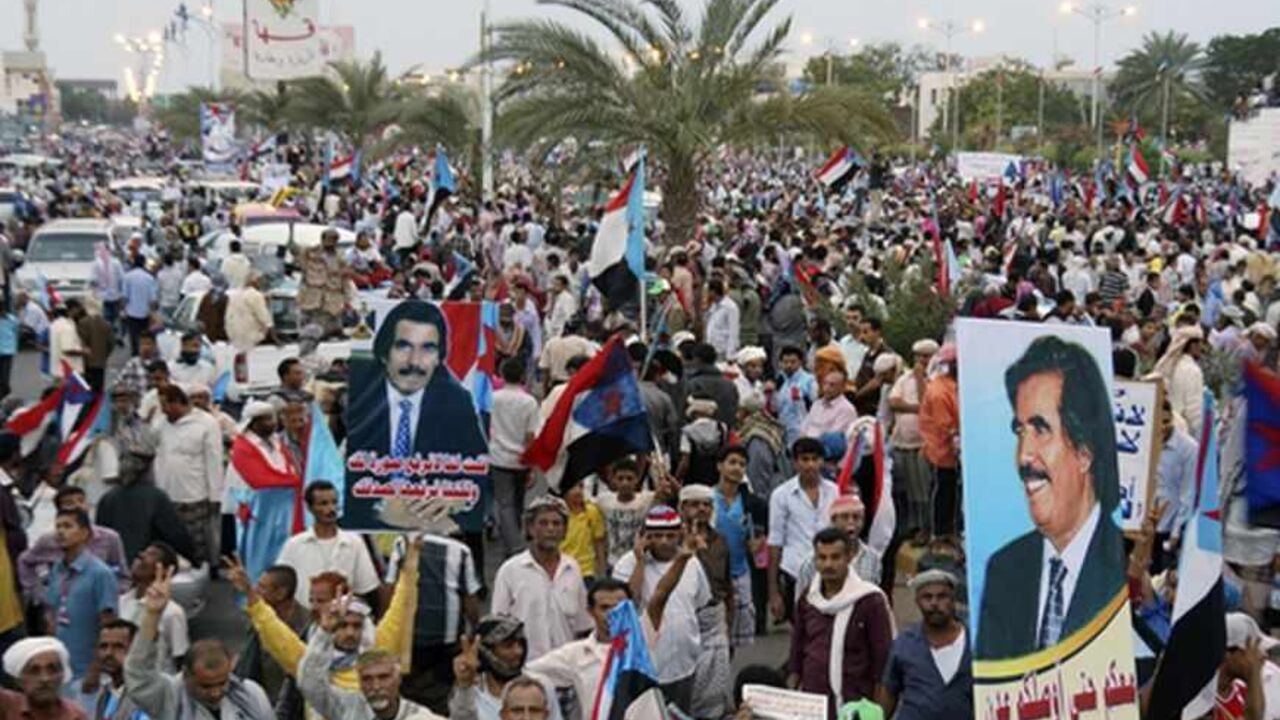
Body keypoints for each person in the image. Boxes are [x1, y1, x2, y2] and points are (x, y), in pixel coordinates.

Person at [975, 335, 1126, 660]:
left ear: (1085, 452)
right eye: (1020, 431)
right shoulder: (1004, 569)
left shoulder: (1123, 568)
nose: (1023, 456)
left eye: (1040, 429)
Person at [124, 565, 274, 719]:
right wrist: (153, 615)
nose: (215, 693)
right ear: (187, 675)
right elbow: (138, 673)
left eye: (222, 683)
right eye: (206, 686)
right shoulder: (169, 697)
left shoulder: (251, 695)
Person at [346, 300, 486, 461]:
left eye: (428, 349)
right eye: (403, 346)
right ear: (384, 353)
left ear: (438, 359)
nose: (414, 362)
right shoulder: (357, 392)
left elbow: (477, 470)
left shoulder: (458, 402)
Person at [611, 505, 712, 713]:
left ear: (680, 534)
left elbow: (701, 604)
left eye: (670, 535)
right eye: (656, 535)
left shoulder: (691, 562)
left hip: (684, 663)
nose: (664, 541)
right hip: (645, 668)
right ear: (645, 537)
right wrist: (640, 561)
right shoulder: (627, 564)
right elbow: (628, 605)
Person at [787, 527, 892, 715]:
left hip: (856, 705)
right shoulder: (808, 599)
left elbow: (882, 663)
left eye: (835, 557)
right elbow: (797, 650)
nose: (828, 564)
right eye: (822, 557)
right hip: (813, 702)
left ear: (849, 557)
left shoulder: (869, 601)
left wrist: (879, 712)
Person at [382, 532, 482, 714]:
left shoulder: (403, 543)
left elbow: (389, 589)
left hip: (408, 644)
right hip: (445, 647)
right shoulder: (461, 551)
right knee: (440, 703)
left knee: (405, 702)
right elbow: (471, 603)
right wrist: (474, 632)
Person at [297, 600, 445, 720]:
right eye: (367, 679)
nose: (376, 686)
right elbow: (309, 685)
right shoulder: (348, 708)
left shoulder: (421, 717)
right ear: (359, 682)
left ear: (398, 678)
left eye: (383, 677)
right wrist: (324, 633)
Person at [490, 497, 592, 661]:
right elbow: (498, 627)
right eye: (543, 523)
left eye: (556, 523)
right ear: (530, 528)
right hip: (525, 671)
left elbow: (583, 626)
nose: (550, 529)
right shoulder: (510, 571)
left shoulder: (572, 569)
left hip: (566, 670)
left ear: (565, 531)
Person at [876, 569, 973, 720]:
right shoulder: (904, 644)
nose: (934, 603)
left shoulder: (974, 642)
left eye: (942, 596)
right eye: (927, 597)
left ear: (953, 599)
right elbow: (888, 692)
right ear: (917, 601)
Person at [94, 428, 197, 564]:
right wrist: (193, 558)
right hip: (146, 565)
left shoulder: (108, 498)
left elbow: (100, 536)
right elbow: (175, 534)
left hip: (115, 566)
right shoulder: (156, 497)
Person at [18, 486, 128, 613]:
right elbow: (25, 561)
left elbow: (123, 576)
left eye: (81, 501)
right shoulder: (49, 540)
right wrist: (38, 593)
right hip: (60, 609)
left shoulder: (110, 538)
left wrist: (109, 595)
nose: (77, 506)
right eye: (69, 503)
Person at [275, 481, 381, 607]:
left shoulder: (354, 542)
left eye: (334, 502)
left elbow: (366, 587)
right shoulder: (294, 545)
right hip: (304, 620)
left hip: (343, 620)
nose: (331, 509)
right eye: (323, 504)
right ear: (310, 507)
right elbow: (280, 584)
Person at [768, 437, 838, 624]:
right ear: (795, 463)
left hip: (828, 572)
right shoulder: (781, 495)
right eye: (804, 459)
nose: (810, 465)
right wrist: (774, 592)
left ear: (822, 462)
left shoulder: (835, 492)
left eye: (815, 459)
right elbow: (775, 542)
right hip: (794, 572)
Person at [44, 508, 119, 678]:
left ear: (85, 533)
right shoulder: (57, 569)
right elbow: (51, 615)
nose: (61, 532)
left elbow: (108, 624)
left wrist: (96, 668)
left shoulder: (100, 573)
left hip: (87, 669)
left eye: (68, 526)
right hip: (60, 667)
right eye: (58, 527)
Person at [153, 385, 223, 566]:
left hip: (194, 495)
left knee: (195, 544)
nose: (163, 410)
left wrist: (215, 496)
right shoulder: (162, 423)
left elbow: (214, 460)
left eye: (165, 405)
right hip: (166, 494)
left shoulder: (206, 423)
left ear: (178, 402)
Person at [448, 617, 562, 720]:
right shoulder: (471, 691)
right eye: (508, 646)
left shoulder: (541, 684)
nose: (518, 652)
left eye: (520, 644)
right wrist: (465, 686)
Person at [230, 564, 308, 711]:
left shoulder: (307, 627)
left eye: (263, 587)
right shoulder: (258, 620)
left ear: (281, 593)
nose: (257, 592)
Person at [488, 358, 540, 559]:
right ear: (522, 376)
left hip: (497, 457)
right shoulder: (529, 402)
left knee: (505, 504)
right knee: (517, 503)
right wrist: (531, 466)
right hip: (520, 459)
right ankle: (515, 546)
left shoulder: (492, 398)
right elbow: (530, 436)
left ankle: (511, 545)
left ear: (501, 375)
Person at [889, 339, 937, 543]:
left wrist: (920, 379)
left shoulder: (936, 378)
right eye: (919, 356)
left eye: (926, 356)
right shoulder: (903, 378)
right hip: (903, 441)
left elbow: (928, 403)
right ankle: (913, 526)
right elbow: (894, 402)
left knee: (923, 488)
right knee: (909, 488)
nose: (921, 360)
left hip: (924, 444)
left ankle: (927, 528)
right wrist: (915, 409)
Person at [116, 543, 188, 674]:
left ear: (165, 571)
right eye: (143, 552)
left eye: (152, 555)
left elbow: (180, 658)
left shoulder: (172, 612)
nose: (141, 556)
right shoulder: (121, 602)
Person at [793, 494, 883, 593]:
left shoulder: (873, 559)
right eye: (845, 517)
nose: (851, 522)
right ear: (833, 521)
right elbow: (802, 603)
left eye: (856, 517)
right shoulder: (811, 563)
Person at [918, 344, 960, 539]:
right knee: (942, 492)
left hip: (954, 451)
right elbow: (947, 426)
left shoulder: (955, 386)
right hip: (941, 452)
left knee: (953, 493)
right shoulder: (939, 391)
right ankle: (939, 533)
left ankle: (953, 530)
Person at [0, 637, 87, 719]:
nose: (45, 679)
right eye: (34, 671)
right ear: (18, 680)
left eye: (53, 670)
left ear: (62, 676)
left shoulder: (75, 716)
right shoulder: (7, 705)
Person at [77, 619, 147, 720]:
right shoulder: (105, 694)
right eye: (103, 646)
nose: (108, 653)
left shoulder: (147, 694)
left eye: (118, 646)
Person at [1215, 613, 1280, 720]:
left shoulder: (1244, 692)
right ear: (1228, 653)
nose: (1262, 655)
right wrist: (1254, 674)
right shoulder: (1200, 702)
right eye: (1254, 650)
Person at [292, 227, 351, 336]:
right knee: (310, 321)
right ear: (323, 239)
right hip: (312, 293)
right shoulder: (311, 252)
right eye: (330, 239)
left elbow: (345, 278)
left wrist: (347, 297)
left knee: (331, 320)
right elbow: (299, 260)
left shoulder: (340, 257)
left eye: (334, 240)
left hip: (332, 294)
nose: (332, 242)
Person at [800, 369, 858, 440]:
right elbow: (804, 428)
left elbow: (832, 440)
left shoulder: (847, 409)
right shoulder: (817, 404)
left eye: (832, 385)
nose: (826, 388)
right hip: (806, 445)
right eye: (825, 383)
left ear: (842, 387)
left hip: (823, 448)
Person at [225, 274, 276, 351]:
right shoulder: (256, 295)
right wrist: (275, 338)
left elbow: (228, 317)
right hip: (252, 339)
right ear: (256, 282)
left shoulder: (234, 295)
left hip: (234, 338)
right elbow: (265, 319)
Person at [121, 256, 156, 357]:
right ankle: (145, 354)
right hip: (145, 314)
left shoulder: (128, 277)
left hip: (132, 313)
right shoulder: (149, 278)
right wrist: (152, 313)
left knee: (133, 337)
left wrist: (123, 311)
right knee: (145, 337)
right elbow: (152, 300)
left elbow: (125, 297)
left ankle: (135, 355)